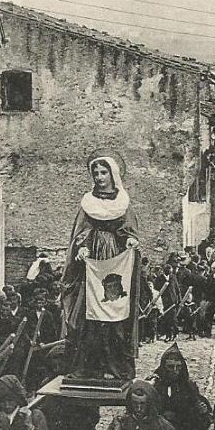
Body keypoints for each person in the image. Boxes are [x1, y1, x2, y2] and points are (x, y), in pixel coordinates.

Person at [61, 152, 139, 382]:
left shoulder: (123, 202)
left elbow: (129, 229)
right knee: (89, 313)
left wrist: (130, 240)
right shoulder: (88, 203)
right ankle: (89, 367)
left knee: (115, 310)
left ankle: (115, 366)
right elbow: (81, 231)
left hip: (115, 261)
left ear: (113, 174)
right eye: (95, 173)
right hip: (92, 265)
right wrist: (82, 247)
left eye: (103, 172)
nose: (99, 177)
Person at [150, 342, 212, 430]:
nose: (175, 371)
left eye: (178, 367)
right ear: (164, 367)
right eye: (170, 367)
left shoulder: (189, 388)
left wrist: (202, 412)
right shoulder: (154, 385)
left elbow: (201, 425)